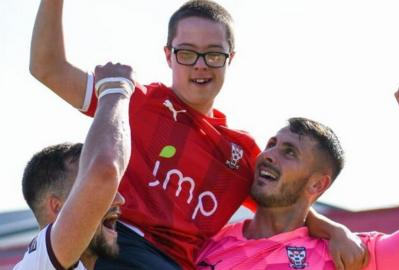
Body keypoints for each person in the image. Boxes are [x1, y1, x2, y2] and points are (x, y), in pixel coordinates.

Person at [30, 1, 366, 269]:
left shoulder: (240, 151)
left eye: (214, 54)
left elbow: (285, 201)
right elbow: (47, 68)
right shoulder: (136, 101)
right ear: (168, 55)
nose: (200, 65)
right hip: (115, 247)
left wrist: (336, 231)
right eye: (187, 53)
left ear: (230, 59)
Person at [196, 78, 399, 269]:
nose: (269, 154)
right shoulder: (206, 241)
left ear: (318, 184)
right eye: (272, 144)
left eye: (290, 152)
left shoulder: (350, 256)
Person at [14, 63, 133, 269]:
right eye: (86, 189)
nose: (118, 199)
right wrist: (115, 90)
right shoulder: (38, 264)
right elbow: (104, 170)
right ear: (58, 208)